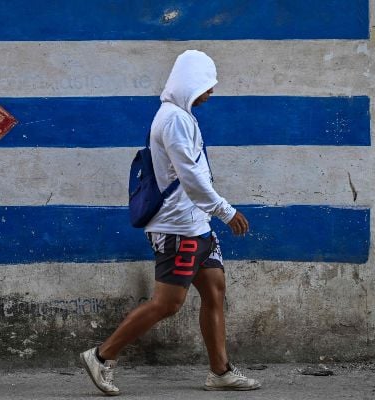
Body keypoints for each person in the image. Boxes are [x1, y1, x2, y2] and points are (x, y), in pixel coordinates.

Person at [80, 50, 260, 396]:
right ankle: (102, 356)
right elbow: (191, 176)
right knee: (168, 303)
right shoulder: (174, 119)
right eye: (207, 85)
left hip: (197, 225)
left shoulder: (182, 116)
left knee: (214, 292)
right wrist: (226, 211)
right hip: (178, 228)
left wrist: (211, 216)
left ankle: (220, 371)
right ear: (189, 83)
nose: (211, 92)